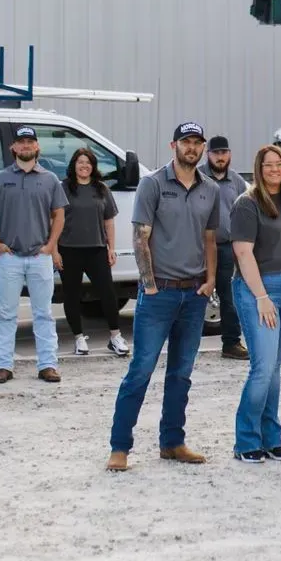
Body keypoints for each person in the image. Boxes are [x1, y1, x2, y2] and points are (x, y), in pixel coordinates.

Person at [108, 122, 220, 471]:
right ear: (174, 145)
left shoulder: (210, 189)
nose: (192, 148)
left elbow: (210, 238)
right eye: (186, 142)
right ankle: (120, 448)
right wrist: (150, 285)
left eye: (197, 143)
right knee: (140, 371)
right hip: (160, 295)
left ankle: (172, 442)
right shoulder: (152, 184)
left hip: (194, 294)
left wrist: (211, 279)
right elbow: (141, 237)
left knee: (181, 374)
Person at [229, 145, 281, 463]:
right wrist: (261, 297)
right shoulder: (247, 204)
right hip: (259, 290)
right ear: (259, 169)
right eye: (268, 165)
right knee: (262, 368)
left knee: (275, 367)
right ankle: (246, 441)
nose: (274, 169)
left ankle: (271, 437)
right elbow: (243, 252)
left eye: (280, 164)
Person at [0, 126, 68, 384]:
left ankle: (48, 365)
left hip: (39, 257)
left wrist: (50, 245)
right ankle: (3, 366)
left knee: (43, 313)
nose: (25, 146)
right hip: (9, 257)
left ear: (37, 148)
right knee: (6, 314)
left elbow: (59, 215)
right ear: (13, 148)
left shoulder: (50, 180)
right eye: (20, 142)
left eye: (29, 142)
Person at [60, 147, 126, 357]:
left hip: (97, 249)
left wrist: (111, 248)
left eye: (88, 162)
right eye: (80, 162)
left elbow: (109, 222)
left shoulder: (102, 189)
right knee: (72, 295)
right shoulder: (63, 188)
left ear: (93, 167)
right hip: (68, 250)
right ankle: (79, 338)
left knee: (107, 293)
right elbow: (54, 221)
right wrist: (54, 251)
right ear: (74, 165)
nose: (84, 166)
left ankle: (115, 336)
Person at [204, 135, 249, 361]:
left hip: (227, 248)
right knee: (194, 295)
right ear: (208, 154)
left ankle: (231, 343)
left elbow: (244, 213)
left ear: (229, 154)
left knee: (229, 297)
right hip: (199, 247)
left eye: (224, 152)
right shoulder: (198, 177)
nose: (220, 157)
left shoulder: (237, 182)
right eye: (216, 153)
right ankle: (185, 344)